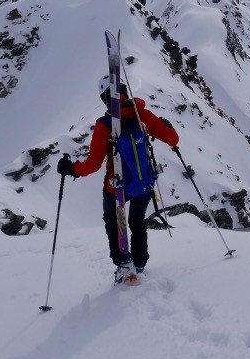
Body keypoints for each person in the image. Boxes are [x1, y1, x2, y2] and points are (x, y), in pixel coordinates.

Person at [57, 77, 179, 284]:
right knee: (137, 221)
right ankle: (139, 264)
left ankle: (124, 263)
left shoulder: (104, 124)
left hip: (116, 187)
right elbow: (173, 140)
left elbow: (93, 164)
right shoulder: (144, 115)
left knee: (113, 223)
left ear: (105, 98)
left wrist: (71, 169)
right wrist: (168, 126)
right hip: (144, 183)